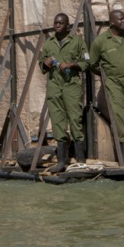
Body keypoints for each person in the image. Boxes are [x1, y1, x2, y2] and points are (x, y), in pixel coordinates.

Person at [89, 6, 124, 163]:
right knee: (119, 114)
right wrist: (107, 75)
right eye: (121, 19)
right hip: (113, 82)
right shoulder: (100, 42)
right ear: (111, 22)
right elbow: (93, 63)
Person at [39, 12, 89, 173]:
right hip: (55, 87)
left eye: (61, 23)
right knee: (58, 122)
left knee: (75, 119)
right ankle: (62, 160)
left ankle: (80, 158)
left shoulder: (78, 42)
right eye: (55, 22)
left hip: (71, 86)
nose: (57, 25)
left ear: (67, 26)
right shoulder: (49, 44)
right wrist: (45, 64)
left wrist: (71, 64)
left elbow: (87, 63)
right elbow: (42, 67)